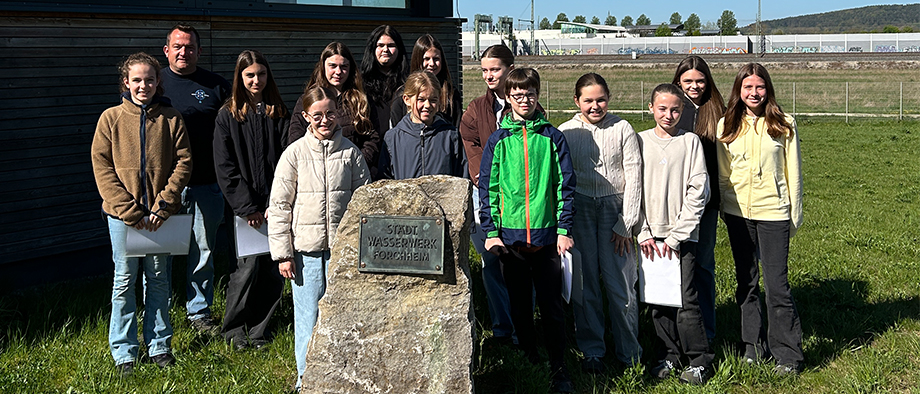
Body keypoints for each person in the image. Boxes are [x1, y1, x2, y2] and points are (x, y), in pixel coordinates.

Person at [91, 52, 192, 376]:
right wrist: (129, 210)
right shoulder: (110, 119)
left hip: (160, 218)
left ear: (158, 81)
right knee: (124, 281)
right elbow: (102, 167)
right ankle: (124, 351)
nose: (143, 85)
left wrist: (164, 204)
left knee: (159, 280)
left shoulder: (171, 118)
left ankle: (159, 345)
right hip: (123, 219)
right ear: (126, 82)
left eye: (149, 79)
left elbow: (184, 162)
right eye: (136, 80)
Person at [479, 68, 576, 393]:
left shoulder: (552, 137)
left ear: (538, 95)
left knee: (552, 307)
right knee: (520, 306)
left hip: (548, 239)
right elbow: (489, 188)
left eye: (530, 94)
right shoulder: (498, 140)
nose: (525, 100)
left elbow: (564, 185)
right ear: (508, 97)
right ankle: (529, 359)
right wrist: (491, 231)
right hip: (511, 239)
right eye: (518, 95)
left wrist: (564, 229)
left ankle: (559, 367)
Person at [268, 86, 370, 391]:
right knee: (308, 315)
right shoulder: (294, 154)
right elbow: (280, 206)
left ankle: (341, 376)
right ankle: (306, 379)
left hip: (342, 252)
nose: (324, 120)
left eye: (330, 114)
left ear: (338, 113)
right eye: (317, 115)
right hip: (306, 252)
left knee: (343, 314)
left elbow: (364, 203)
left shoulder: (350, 153)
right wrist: (283, 254)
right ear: (305, 117)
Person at [717, 63, 804, 376]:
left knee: (777, 286)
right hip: (738, 214)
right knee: (747, 282)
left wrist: (794, 214)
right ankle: (752, 348)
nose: (754, 93)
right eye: (748, 87)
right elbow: (723, 172)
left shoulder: (784, 123)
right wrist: (726, 205)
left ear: (768, 89)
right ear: (738, 91)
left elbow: (793, 172)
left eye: (760, 87)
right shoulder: (726, 124)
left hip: (774, 213)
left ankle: (788, 355)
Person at [557, 73, 642, 373]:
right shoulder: (566, 132)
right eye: (588, 101)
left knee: (621, 286)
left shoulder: (623, 128)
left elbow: (634, 175)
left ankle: (629, 352)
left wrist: (626, 222)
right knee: (586, 284)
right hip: (580, 209)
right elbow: (561, 179)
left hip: (613, 211)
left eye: (601, 100)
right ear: (576, 101)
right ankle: (592, 350)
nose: (595, 106)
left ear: (609, 98)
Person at [213, 50, 288, 351]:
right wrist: (247, 207)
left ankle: (259, 330)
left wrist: (275, 203)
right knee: (245, 269)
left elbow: (287, 161)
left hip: (274, 207)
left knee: (272, 269)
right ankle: (234, 330)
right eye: (250, 75)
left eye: (261, 74)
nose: (257, 80)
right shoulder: (227, 115)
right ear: (240, 77)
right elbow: (225, 166)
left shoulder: (278, 112)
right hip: (243, 211)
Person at [638, 83, 713, 385]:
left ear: (683, 111)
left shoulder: (690, 142)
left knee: (685, 299)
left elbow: (699, 189)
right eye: (662, 109)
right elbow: (633, 189)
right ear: (651, 108)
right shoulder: (640, 141)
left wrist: (677, 235)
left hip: (681, 237)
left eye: (675, 110)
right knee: (659, 300)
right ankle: (669, 353)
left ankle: (700, 359)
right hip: (649, 238)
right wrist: (643, 231)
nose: (668, 115)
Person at [160, 23, 231, 334]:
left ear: (199, 51)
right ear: (166, 50)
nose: (183, 52)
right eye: (177, 46)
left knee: (203, 252)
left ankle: (198, 312)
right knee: (160, 255)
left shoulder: (216, 86)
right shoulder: (155, 83)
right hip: (164, 188)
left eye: (189, 47)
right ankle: (159, 314)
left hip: (206, 183)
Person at [458, 44, 516, 343]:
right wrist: (484, 171)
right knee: (491, 259)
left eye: (495, 69)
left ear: (509, 69)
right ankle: (502, 327)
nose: (489, 75)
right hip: (486, 193)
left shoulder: (523, 102)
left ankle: (523, 328)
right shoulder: (478, 108)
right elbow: (470, 139)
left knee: (519, 260)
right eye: (484, 70)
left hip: (518, 195)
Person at [672, 55, 726, 344]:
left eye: (700, 81)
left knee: (703, 265)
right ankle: (675, 331)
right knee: (675, 265)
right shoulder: (672, 110)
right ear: (678, 81)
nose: (694, 86)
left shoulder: (717, 111)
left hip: (706, 203)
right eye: (688, 81)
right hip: (672, 202)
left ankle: (706, 330)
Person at [287, 42, 378, 175]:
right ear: (323, 67)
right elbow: (295, 137)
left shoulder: (362, 100)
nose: (338, 72)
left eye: (344, 66)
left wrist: (356, 165)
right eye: (333, 66)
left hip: (351, 173)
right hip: (314, 174)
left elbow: (372, 138)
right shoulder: (307, 100)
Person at [379, 71, 465, 180]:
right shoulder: (393, 138)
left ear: (439, 100)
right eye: (421, 99)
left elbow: (462, 177)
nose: (427, 105)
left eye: (433, 100)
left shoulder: (450, 136)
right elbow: (384, 180)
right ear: (407, 99)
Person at [389, 34, 462, 127]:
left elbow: (457, 126)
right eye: (426, 59)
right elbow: (396, 129)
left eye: (436, 59)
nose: (432, 63)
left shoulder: (451, 94)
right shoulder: (402, 94)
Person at [361, 25, 409, 140]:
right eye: (380, 45)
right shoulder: (361, 82)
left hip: (402, 143)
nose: (385, 50)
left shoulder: (408, 83)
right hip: (371, 144)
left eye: (391, 45)